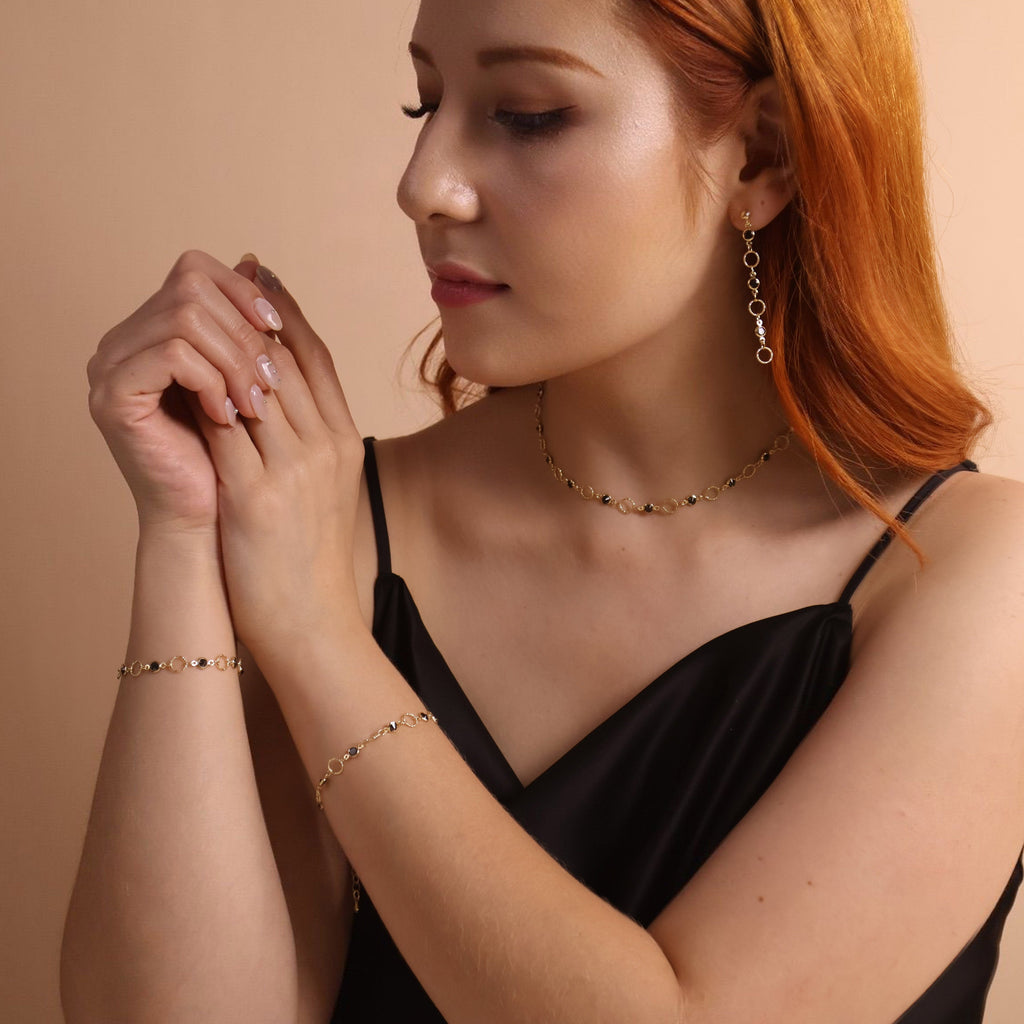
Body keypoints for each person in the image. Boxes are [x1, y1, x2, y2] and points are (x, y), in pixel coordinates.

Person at [60, 0, 1024, 1021]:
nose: (421, 184)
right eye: (425, 101)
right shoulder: (314, 517)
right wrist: (183, 531)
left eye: (527, 114)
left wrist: (314, 636)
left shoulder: (970, 575)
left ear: (761, 157)